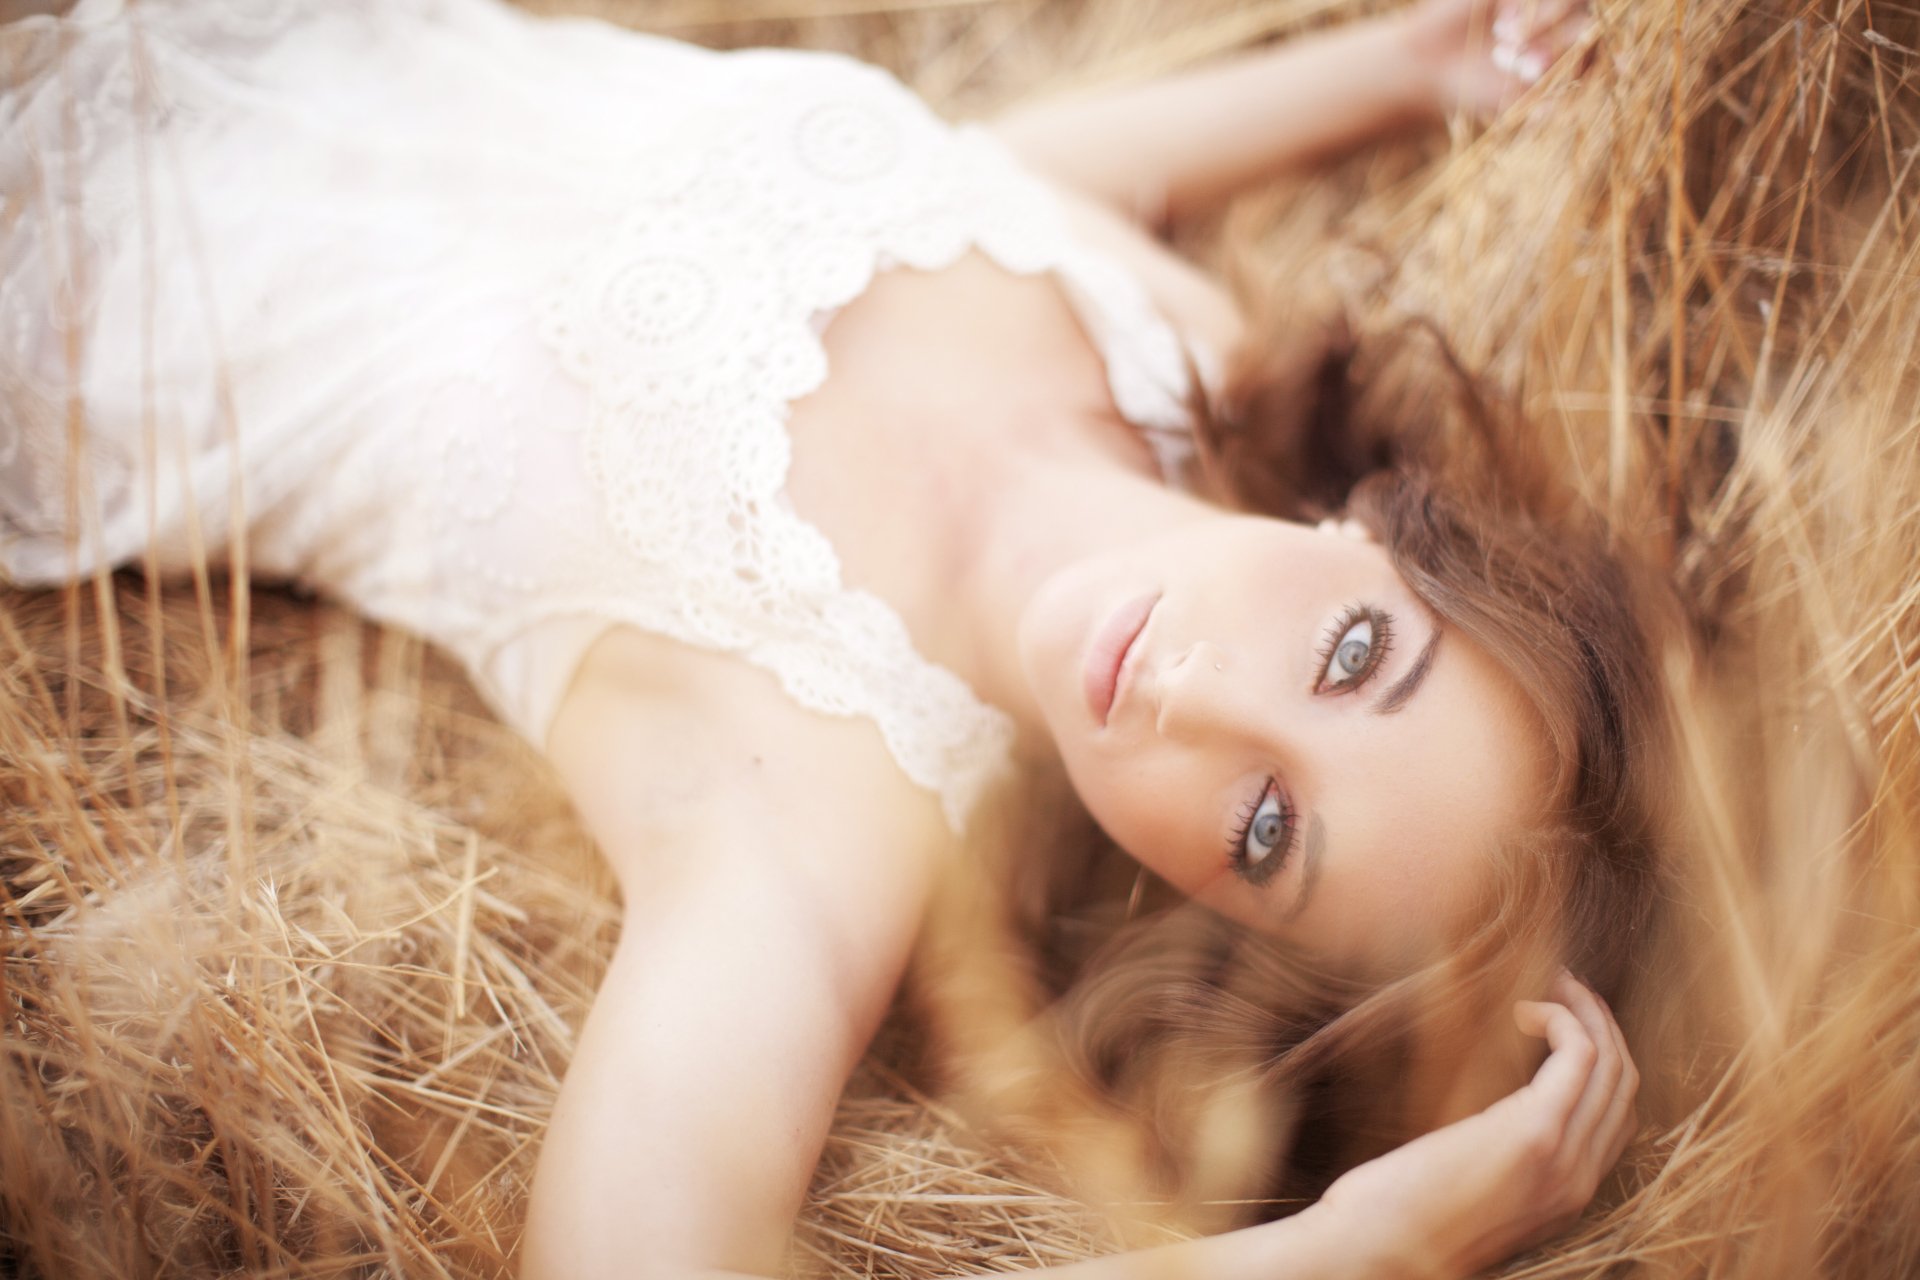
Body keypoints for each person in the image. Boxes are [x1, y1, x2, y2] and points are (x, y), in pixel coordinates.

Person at [0, 0, 1659, 1276]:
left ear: (1201, 903)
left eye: (1267, 825)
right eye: (1357, 658)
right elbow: (997, 176)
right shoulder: (1179, 345)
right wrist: (1405, 63)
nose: (1197, 696)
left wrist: (1336, 1253)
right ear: (1369, 531)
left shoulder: (816, 799)